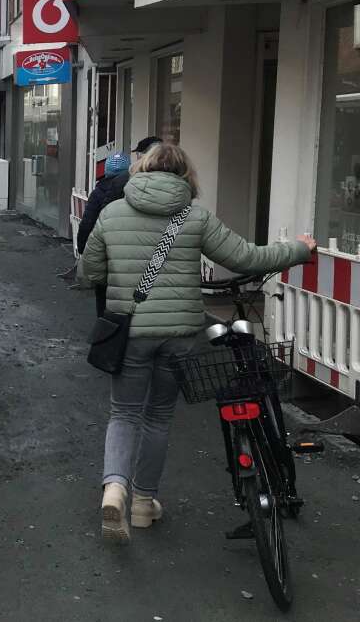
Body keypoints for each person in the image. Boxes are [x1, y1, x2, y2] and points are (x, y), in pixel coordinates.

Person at [81, 144, 315, 545]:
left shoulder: (112, 212)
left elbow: (90, 272)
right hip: (178, 335)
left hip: (130, 332)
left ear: (141, 169)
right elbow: (247, 257)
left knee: (124, 413)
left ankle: (115, 488)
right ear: (185, 176)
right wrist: (299, 249)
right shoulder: (194, 216)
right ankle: (143, 504)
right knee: (157, 416)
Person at [76, 152, 132, 316]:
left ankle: (104, 322)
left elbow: (87, 223)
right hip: (128, 251)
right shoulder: (134, 191)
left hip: (105, 249)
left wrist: (82, 248)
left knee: (103, 290)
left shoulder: (98, 192)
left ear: (106, 171)